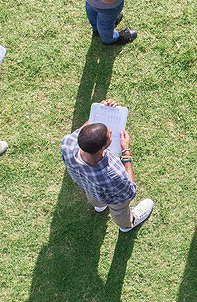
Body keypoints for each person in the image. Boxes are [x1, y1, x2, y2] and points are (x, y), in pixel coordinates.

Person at [60, 99, 154, 233]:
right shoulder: (112, 175)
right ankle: (127, 225)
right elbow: (131, 190)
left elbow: (84, 132)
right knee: (120, 210)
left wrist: (101, 112)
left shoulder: (68, 145)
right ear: (102, 148)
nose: (110, 131)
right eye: (109, 135)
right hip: (114, 198)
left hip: (89, 188)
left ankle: (99, 206)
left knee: (93, 196)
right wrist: (126, 151)